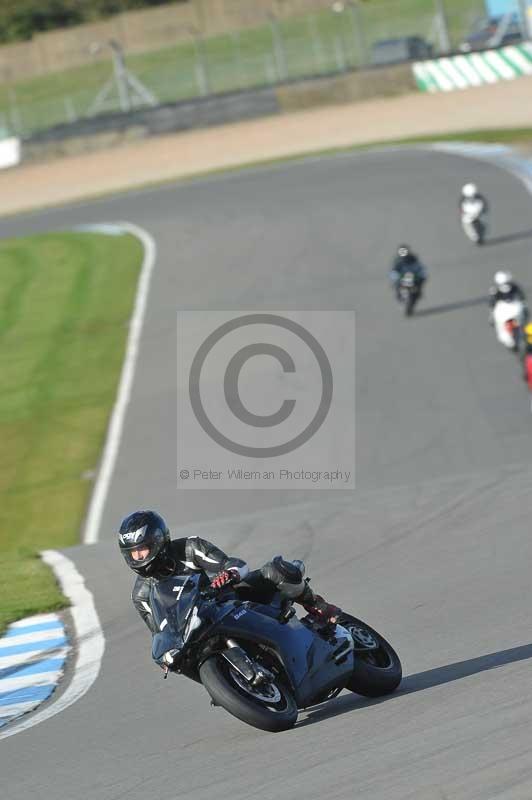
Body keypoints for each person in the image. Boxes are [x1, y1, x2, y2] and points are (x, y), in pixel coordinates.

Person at [118, 510, 341, 666]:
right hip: (198, 630)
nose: (138, 558)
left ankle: (319, 607)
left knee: (276, 571)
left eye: (142, 550)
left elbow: (232, 564)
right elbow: (160, 631)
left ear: (158, 541)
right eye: (132, 553)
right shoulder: (141, 595)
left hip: (229, 600)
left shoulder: (188, 548)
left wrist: (228, 574)